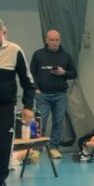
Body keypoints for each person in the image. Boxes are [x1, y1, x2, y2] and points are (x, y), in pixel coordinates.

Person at [0, 18, 36, 186]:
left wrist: (28, 106)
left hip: (5, 108)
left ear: (3, 32)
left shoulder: (14, 50)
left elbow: (28, 82)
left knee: (3, 148)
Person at [30, 29, 78, 159]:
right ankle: (36, 149)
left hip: (60, 94)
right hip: (42, 95)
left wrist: (64, 73)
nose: (54, 43)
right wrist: (35, 88)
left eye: (56, 40)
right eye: (51, 40)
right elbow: (32, 72)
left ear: (60, 41)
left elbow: (74, 73)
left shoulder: (66, 56)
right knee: (39, 122)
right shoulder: (38, 54)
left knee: (58, 122)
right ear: (46, 40)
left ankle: (54, 148)